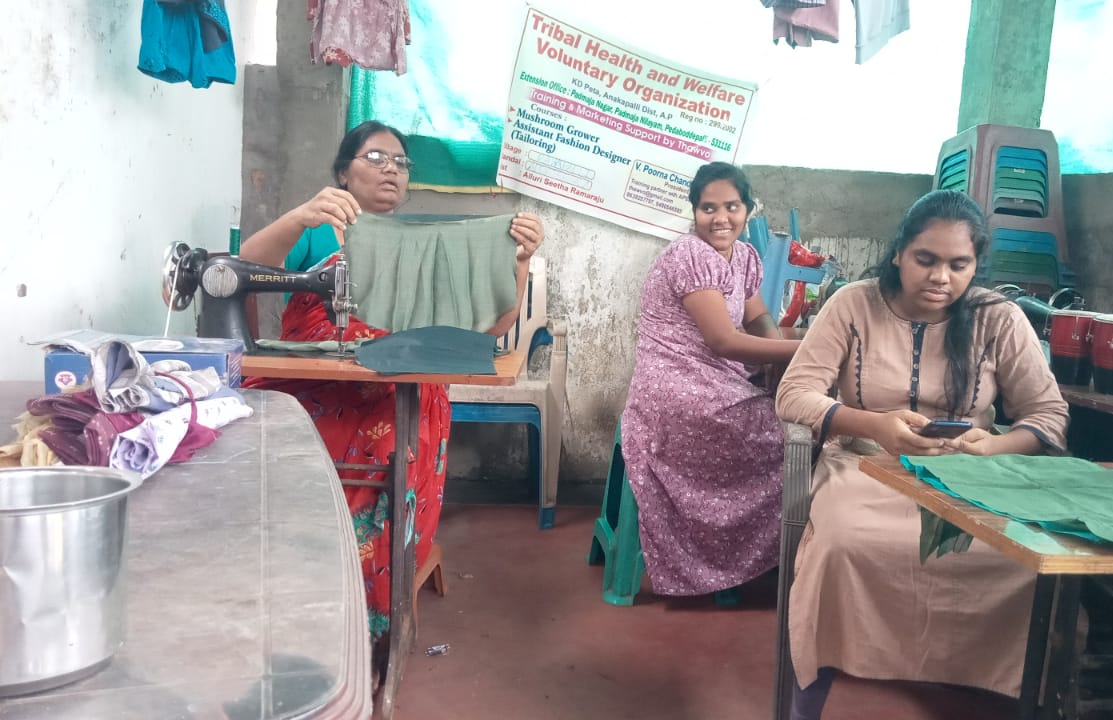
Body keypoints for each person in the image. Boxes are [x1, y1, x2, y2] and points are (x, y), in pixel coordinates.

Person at [238, 120, 544, 656]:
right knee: (262, 433)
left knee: (388, 445)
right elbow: (245, 268)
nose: (392, 171)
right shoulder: (316, 230)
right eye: (377, 158)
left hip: (397, 386)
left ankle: (365, 616)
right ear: (343, 172)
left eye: (401, 163)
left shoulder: (426, 245)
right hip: (311, 378)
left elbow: (493, 326)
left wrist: (519, 261)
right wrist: (300, 215)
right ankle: (277, 586)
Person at [774, 189, 1070, 719]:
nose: (940, 278)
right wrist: (874, 425)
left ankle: (1002, 690)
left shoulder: (998, 318)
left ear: (976, 265)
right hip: (864, 465)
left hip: (970, 477)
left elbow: (1048, 415)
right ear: (899, 254)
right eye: (926, 259)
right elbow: (793, 394)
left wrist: (996, 446)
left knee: (1022, 559)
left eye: (959, 265)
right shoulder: (854, 304)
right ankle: (809, 692)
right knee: (842, 544)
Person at [620, 161, 800, 599]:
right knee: (793, 439)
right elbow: (724, 341)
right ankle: (732, 556)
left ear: (748, 209)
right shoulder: (690, 254)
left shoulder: (743, 256)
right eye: (708, 208)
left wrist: (777, 353)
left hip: (716, 378)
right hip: (676, 387)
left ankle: (748, 554)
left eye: (732, 207)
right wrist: (804, 350)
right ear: (694, 212)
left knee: (794, 426)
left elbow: (758, 318)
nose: (721, 218)